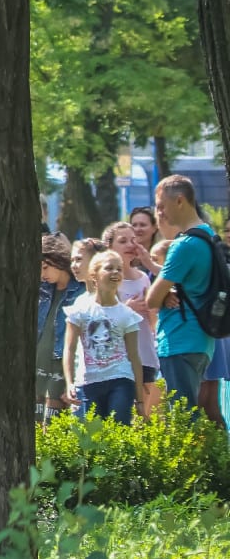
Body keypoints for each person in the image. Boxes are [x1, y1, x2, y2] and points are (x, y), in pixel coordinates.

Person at [147, 175, 219, 406]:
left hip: (180, 339)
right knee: (189, 412)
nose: (159, 213)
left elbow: (151, 299)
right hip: (200, 341)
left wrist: (164, 293)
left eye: (161, 206)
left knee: (183, 418)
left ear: (179, 201)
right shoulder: (208, 234)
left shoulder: (184, 245)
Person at [63, 250, 146, 424]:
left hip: (120, 380)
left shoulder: (126, 314)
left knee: (118, 433)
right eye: (109, 268)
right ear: (95, 275)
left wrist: (139, 399)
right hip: (88, 382)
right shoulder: (81, 310)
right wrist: (70, 383)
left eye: (119, 269)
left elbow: (134, 357)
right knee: (90, 439)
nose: (115, 272)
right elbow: (69, 350)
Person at [101, 223, 161, 415]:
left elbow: (152, 323)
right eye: (123, 241)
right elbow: (101, 323)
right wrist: (127, 309)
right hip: (119, 360)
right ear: (109, 247)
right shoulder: (105, 281)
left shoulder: (144, 277)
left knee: (147, 417)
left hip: (146, 354)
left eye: (133, 240)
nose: (130, 245)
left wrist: (153, 310)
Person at [34, 234, 77, 422]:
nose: (43, 274)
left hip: (61, 364)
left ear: (60, 259)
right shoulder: (42, 289)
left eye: (45, 267)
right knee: (34, 425)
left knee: (52, 426)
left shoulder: (80, 290)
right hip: (38, 362)